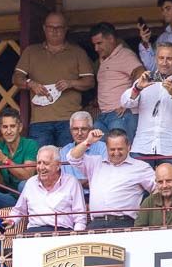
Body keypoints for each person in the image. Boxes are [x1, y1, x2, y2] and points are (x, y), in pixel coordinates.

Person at [13, 11, 96, 147]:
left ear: (66, 29)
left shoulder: (77, 52)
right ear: (44, 28)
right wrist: (30, 83)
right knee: (42, 162)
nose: (54, 31)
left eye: (59, 28)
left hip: (69, 119)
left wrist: (71, 83)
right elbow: (16, 78)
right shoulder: (31, 52)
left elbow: (90, 82)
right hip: (40, 120)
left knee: (70, 161)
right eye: (51, 27)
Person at [123, 41, 172, 173]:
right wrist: (137, 88)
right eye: (161, 58)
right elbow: (125, 103)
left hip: (170, 148)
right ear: (156, 59)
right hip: (142, 147)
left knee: (168, 192)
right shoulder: (144, 80)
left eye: (169, 58)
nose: (165, 62)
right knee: (139, 193)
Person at [67, 128, 156, 229]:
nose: (116, 152)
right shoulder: (95, 163)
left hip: (124, 223)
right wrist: (88, 141)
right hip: (96, 223)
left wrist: (146, 215)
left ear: (129, 147)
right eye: (112, 149)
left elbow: (158, 187)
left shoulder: (141, 167)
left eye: (120, 149)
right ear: (107, 148)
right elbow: (72, 158)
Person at [7, 146, 87, 233]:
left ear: (58, 165)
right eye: (39, 163)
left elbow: (80, 217)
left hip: (62, 233)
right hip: (34, 233)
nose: (41, 167)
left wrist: (76, 237)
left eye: (46, 163)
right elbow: (19, 210)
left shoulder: (71, 182)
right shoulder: (31, 183)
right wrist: (11, 221)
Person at [90, 22, 146, 139]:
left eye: (99, 43)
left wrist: (128, 101)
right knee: (103, 154)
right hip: (104, 115)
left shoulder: (124, 54)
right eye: (94, 44)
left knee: (121, 153)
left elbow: (141, 73)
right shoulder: (104, 59)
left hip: (121, 114)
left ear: (110, 38)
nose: (96, 48)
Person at [0, 109, 40, 209]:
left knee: (23, 185)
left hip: (32, 199)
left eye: (12, 126)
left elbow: (27, 176)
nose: (8, 131)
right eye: (5, 127)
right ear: (0, 128)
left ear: (20, 127)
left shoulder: (30, 144)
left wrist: (5, 160)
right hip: (12, 200)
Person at [60, 111, 106, 191]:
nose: (79, 133)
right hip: (71, 198)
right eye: (75, 129)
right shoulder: (64, 151)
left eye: (84, 129)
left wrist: (75, 183)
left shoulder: (102, 147)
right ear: (70, 131)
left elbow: (103, 180)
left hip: (95, 195)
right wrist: (88, 181)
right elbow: (63, 183)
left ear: (91, 130)